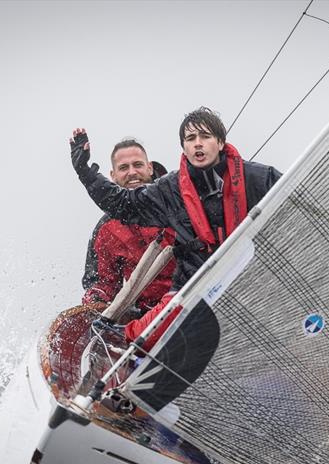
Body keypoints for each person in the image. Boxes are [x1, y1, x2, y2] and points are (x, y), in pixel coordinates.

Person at [70, 107, 281, 346]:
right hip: (183, 295)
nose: (198, 144)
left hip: (242, 279)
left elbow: (296, 202)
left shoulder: (259, 178)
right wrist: (84, 172)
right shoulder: (167, 193)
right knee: (143, 335)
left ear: (221, 142)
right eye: (191, 139)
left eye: (205, 137)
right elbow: (121, 206)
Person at [79, 137, 176, 317]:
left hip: (196, 290)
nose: (132, 172)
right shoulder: (106, 229)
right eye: (124, 168)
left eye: (137, 164)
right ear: (113, 175)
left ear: (150, 167)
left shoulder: (176, 199)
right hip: (150, 317)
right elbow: (102, 282)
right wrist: (96, 302)